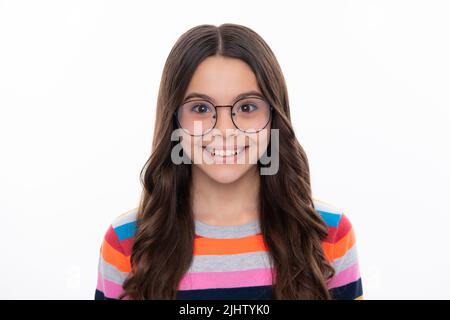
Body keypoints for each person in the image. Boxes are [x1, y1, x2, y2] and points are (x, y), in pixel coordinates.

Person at [95, 23, 363, 300]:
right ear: (174, 120)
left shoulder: (328, 233)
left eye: (247, 107)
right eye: (200, 108)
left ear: (274, 117)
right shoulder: (127, 241)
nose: (224, 130)